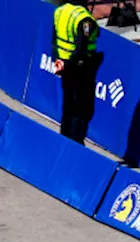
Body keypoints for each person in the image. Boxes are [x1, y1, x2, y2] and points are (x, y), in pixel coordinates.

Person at [52, 0, 103, 144]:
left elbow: (54, 40)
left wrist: (59, 61)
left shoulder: (60, 11)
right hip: (81, 69)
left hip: (64, 67)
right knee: (81, 109)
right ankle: (75, 144)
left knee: (68, 105)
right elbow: (81, 48)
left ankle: (63, 139)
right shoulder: (84, 20)